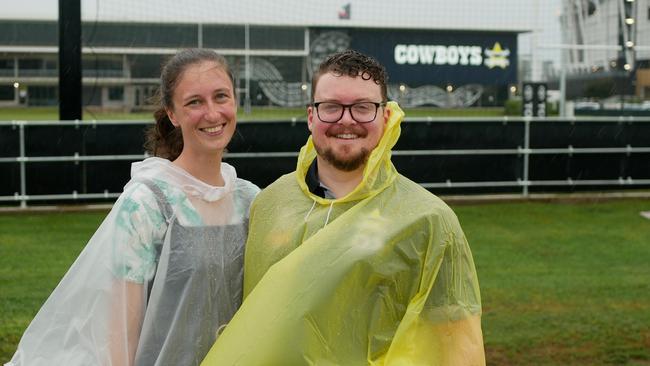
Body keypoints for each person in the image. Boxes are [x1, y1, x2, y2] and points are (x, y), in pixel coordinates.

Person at [202, 50, 485, 365]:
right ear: (312, 117)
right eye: (332, 107)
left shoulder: (428, 221)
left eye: (363, 108)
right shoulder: (270, 202)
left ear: (386, 116)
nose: (346, 120)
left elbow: (451, 344)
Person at [5, 48, 259, 366]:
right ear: (172, 114)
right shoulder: (146, 205)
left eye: (221, 96)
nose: (211, 113)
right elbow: (119, 333)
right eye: (194, 101)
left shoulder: (250, 201)